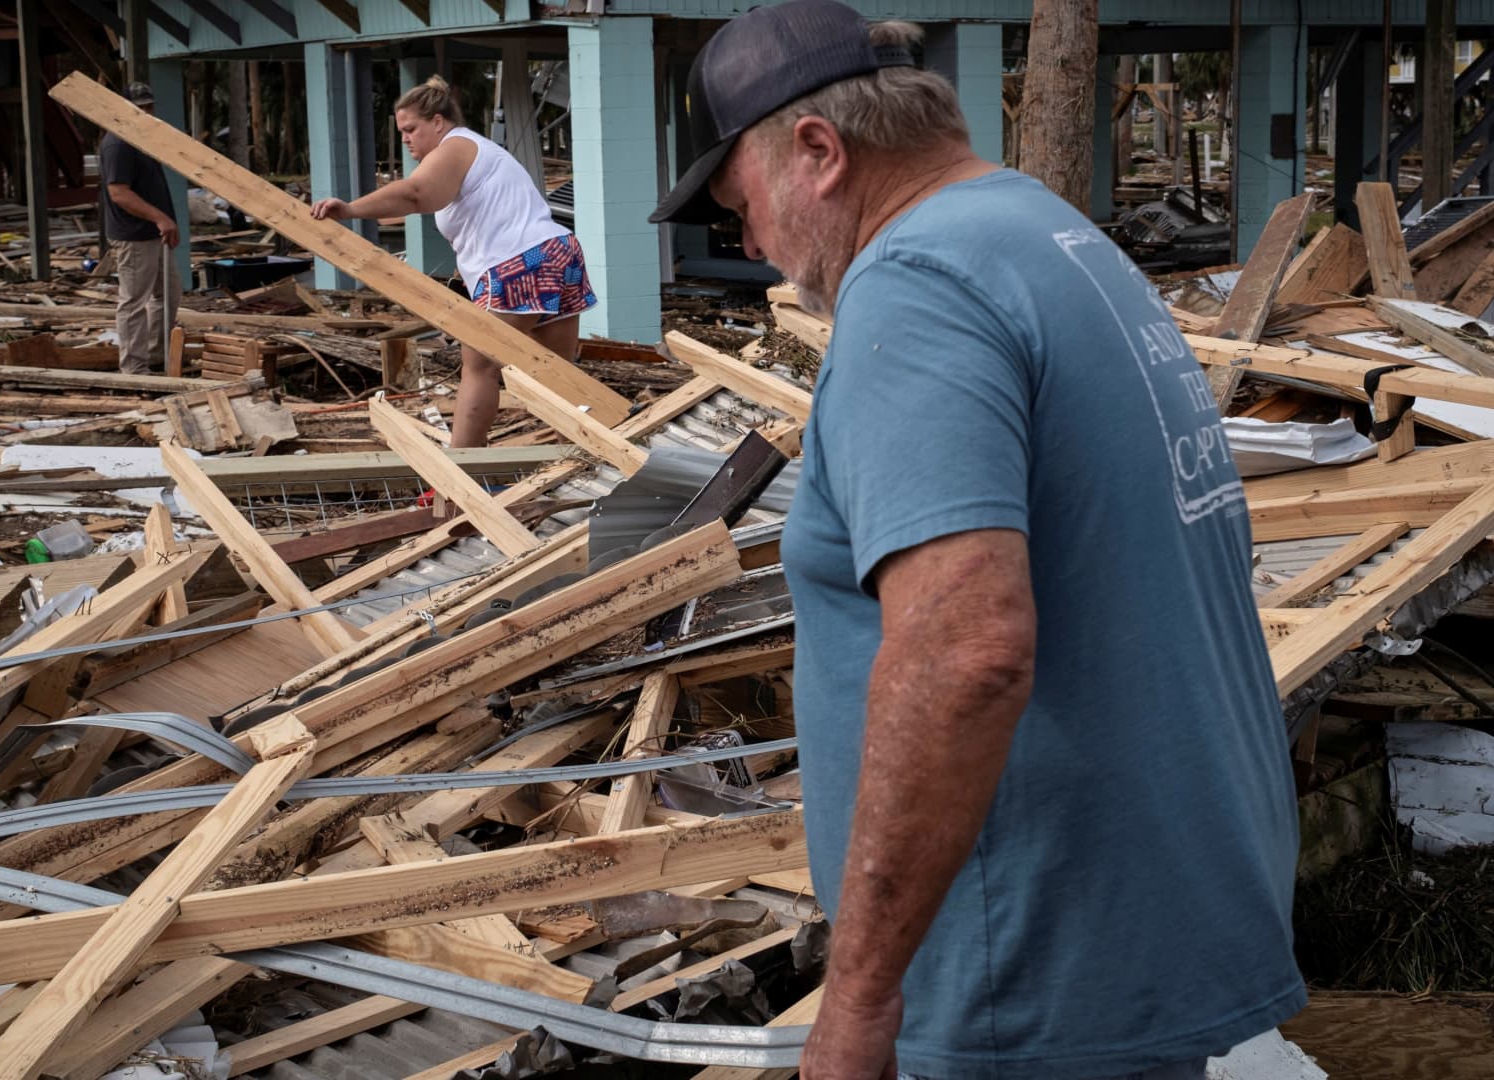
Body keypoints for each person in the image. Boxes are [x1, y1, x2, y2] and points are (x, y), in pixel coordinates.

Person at [648, 4, 1306, 1078]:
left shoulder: (915, 290)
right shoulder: (1038, 233)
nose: (752, 246)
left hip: (1030, 971)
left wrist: (857, 1002)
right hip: (1129, 928)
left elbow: (966, 652)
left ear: (817, 152)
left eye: (742, 207)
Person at [309, 76, 596, 448]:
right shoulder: (478, 154)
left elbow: (415, 195)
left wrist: (349, 209)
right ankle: (577, 457)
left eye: (411, 129)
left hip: (520, 261)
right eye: (402, 131)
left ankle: (464, 472)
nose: (406, 139)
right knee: (558, 374)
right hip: (557, 253)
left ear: (438, 122)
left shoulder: (455, 145)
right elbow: (480, 225)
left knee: (481, 367)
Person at [99, 82, 182, 375]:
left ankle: (156, 355)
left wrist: (164, 220)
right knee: (134, 301)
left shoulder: (141, 139)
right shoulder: (118, 143)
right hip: (134, 235)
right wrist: (160, 218)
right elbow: (119, 192)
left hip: (152, 234)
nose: (146, 111)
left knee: (168, 294)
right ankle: (134, 367)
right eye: (140, 107)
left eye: (149, 106)